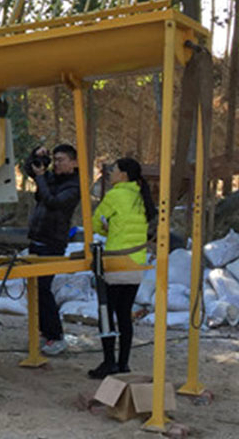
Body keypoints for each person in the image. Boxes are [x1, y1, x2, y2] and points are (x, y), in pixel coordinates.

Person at [88, 157, 156, 379]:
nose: (110, 173)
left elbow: (96, 222)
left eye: (113, 169)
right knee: (124, 315)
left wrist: (109, 232)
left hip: (117, 262)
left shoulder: (115, 195)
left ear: (123, 175)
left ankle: (109, 362)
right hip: (136, 264)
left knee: (106, 312)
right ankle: (123, 363)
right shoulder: (141, 196)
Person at [26, 143, 81, 356]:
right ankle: (46, 332)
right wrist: (36, 156)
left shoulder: (74, 187)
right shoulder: (52, 179)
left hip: (52, 243)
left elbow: (52, 201)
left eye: (61, 160)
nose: (56, 164)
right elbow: (30, 170)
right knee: (36, 288)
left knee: (43, 287)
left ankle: (56, 335)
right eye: (55, 160)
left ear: (74, 162)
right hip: (38, 239)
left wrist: (41, 178)